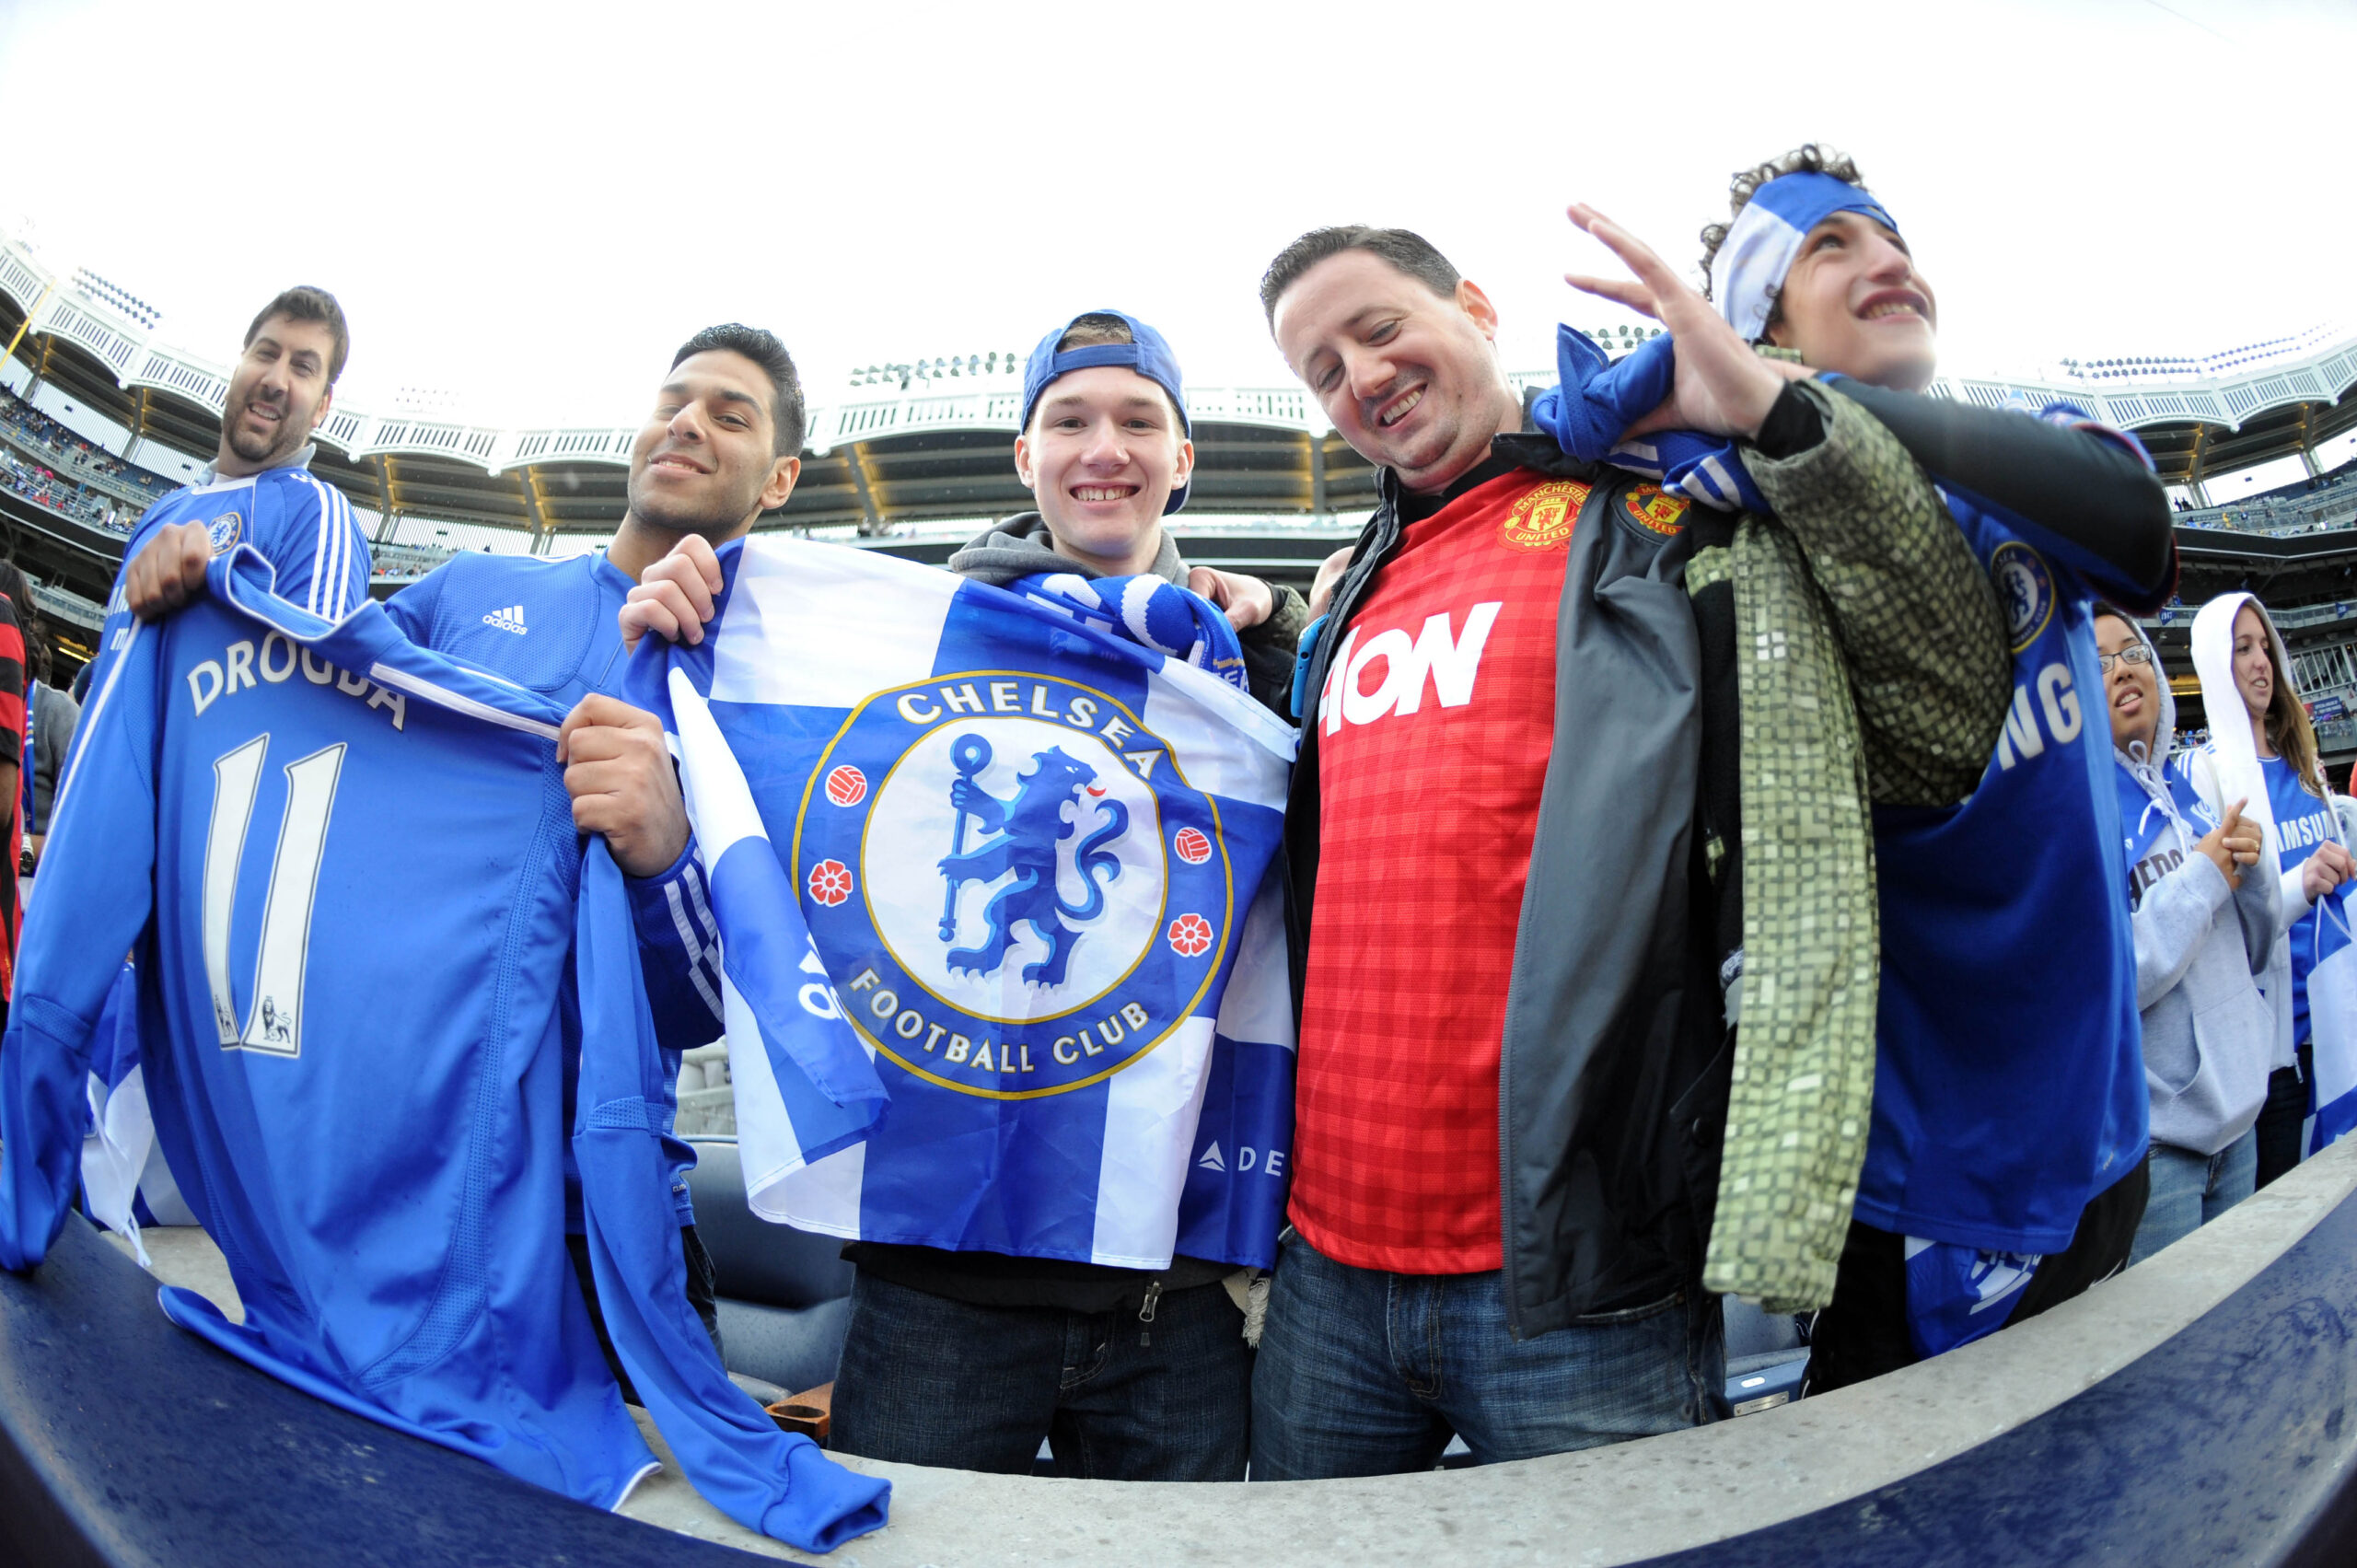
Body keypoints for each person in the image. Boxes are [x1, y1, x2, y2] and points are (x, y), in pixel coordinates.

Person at [1245, 185, 2044, 1476]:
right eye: (1323, 370)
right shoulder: (1355, 590)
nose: (1363, 378)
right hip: (1329, 1270)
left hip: (1580, 1276)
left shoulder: (1672, 519)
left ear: (1477, 307)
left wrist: (1781, 421)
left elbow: (1949, 707)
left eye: (1380, 329)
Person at [621, 309, 1301, 1481]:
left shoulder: (1260, 662)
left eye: (1139, 421)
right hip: (937, 1283)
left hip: (1177, 1298)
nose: (1105, 446)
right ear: (1023, 458)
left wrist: (1286, 620)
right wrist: (693, 601)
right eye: (1069, 420)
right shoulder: (898, 643)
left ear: (1182, 462)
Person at [1563, 148, 2173, 1392]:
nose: (1889, 261)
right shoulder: (1720, 528)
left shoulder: (2022, 453)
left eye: (1889, 237)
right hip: (1908, 1164)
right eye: (1829, 246)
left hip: (2100, 1122)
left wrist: (1792, 405)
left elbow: (2142, 536)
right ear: (1755, 323)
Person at [113, 323, 806, 1384]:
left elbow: (709, 1007)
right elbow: (302, 761)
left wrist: (662, 849)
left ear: (781, 477)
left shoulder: (766, 703)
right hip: (397, 1188)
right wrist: (203, 595)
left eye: (731, 413)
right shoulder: (466, 592)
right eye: (676, 398)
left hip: (599, 1231)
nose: (689, 423)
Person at [2095, 604, 2273, 1263]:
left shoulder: (2192, 791)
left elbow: (2253, 951)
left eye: (2132, 651)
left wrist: (2250, 876)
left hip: (2242, 1123)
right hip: (2162, 1152)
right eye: (2100, 662)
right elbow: (2112, 978)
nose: (2121, 670)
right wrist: (2204, 875)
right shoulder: (2081, 817)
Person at [90, 286, 370, 702]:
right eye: (266, 353)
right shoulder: (162, 511)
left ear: (322, 407)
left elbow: (310, 710)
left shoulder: (316, 513)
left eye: (303, 368)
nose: (275, 380)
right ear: (240, 363)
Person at [2182, 594, 2354, 1190]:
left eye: (2265, 647)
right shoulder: (2203, 777)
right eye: (2242, 648)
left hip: (2338, 1029)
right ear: (2213, 662)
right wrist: (2304, 884)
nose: (2261, 663)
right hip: (2272, 1059)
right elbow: (2223, 926)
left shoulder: (2306, 767)